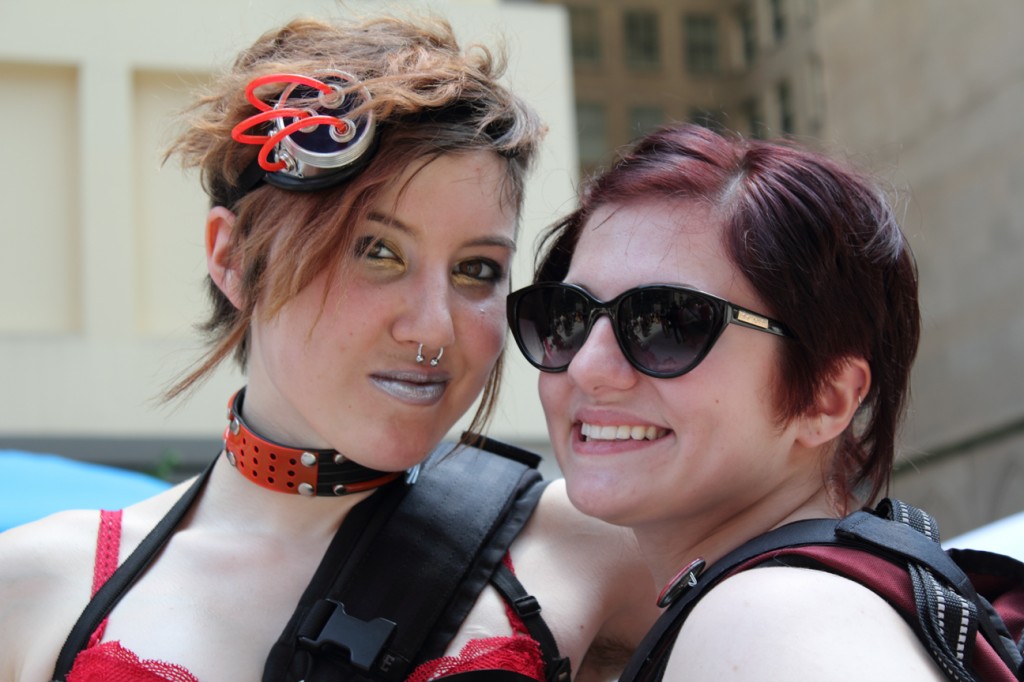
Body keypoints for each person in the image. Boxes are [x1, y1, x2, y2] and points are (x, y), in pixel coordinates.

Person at [0, 14, 656, 682]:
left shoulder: (597, 545)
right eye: (376, 252)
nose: (435, 328)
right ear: (231, 258)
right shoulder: (36, 586)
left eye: (477, 269)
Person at [507, 123, 952, 679]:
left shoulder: (765, 623)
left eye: (666, 323)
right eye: (566, 317)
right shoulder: (819, 595)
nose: (587, 366)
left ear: (825, 398)